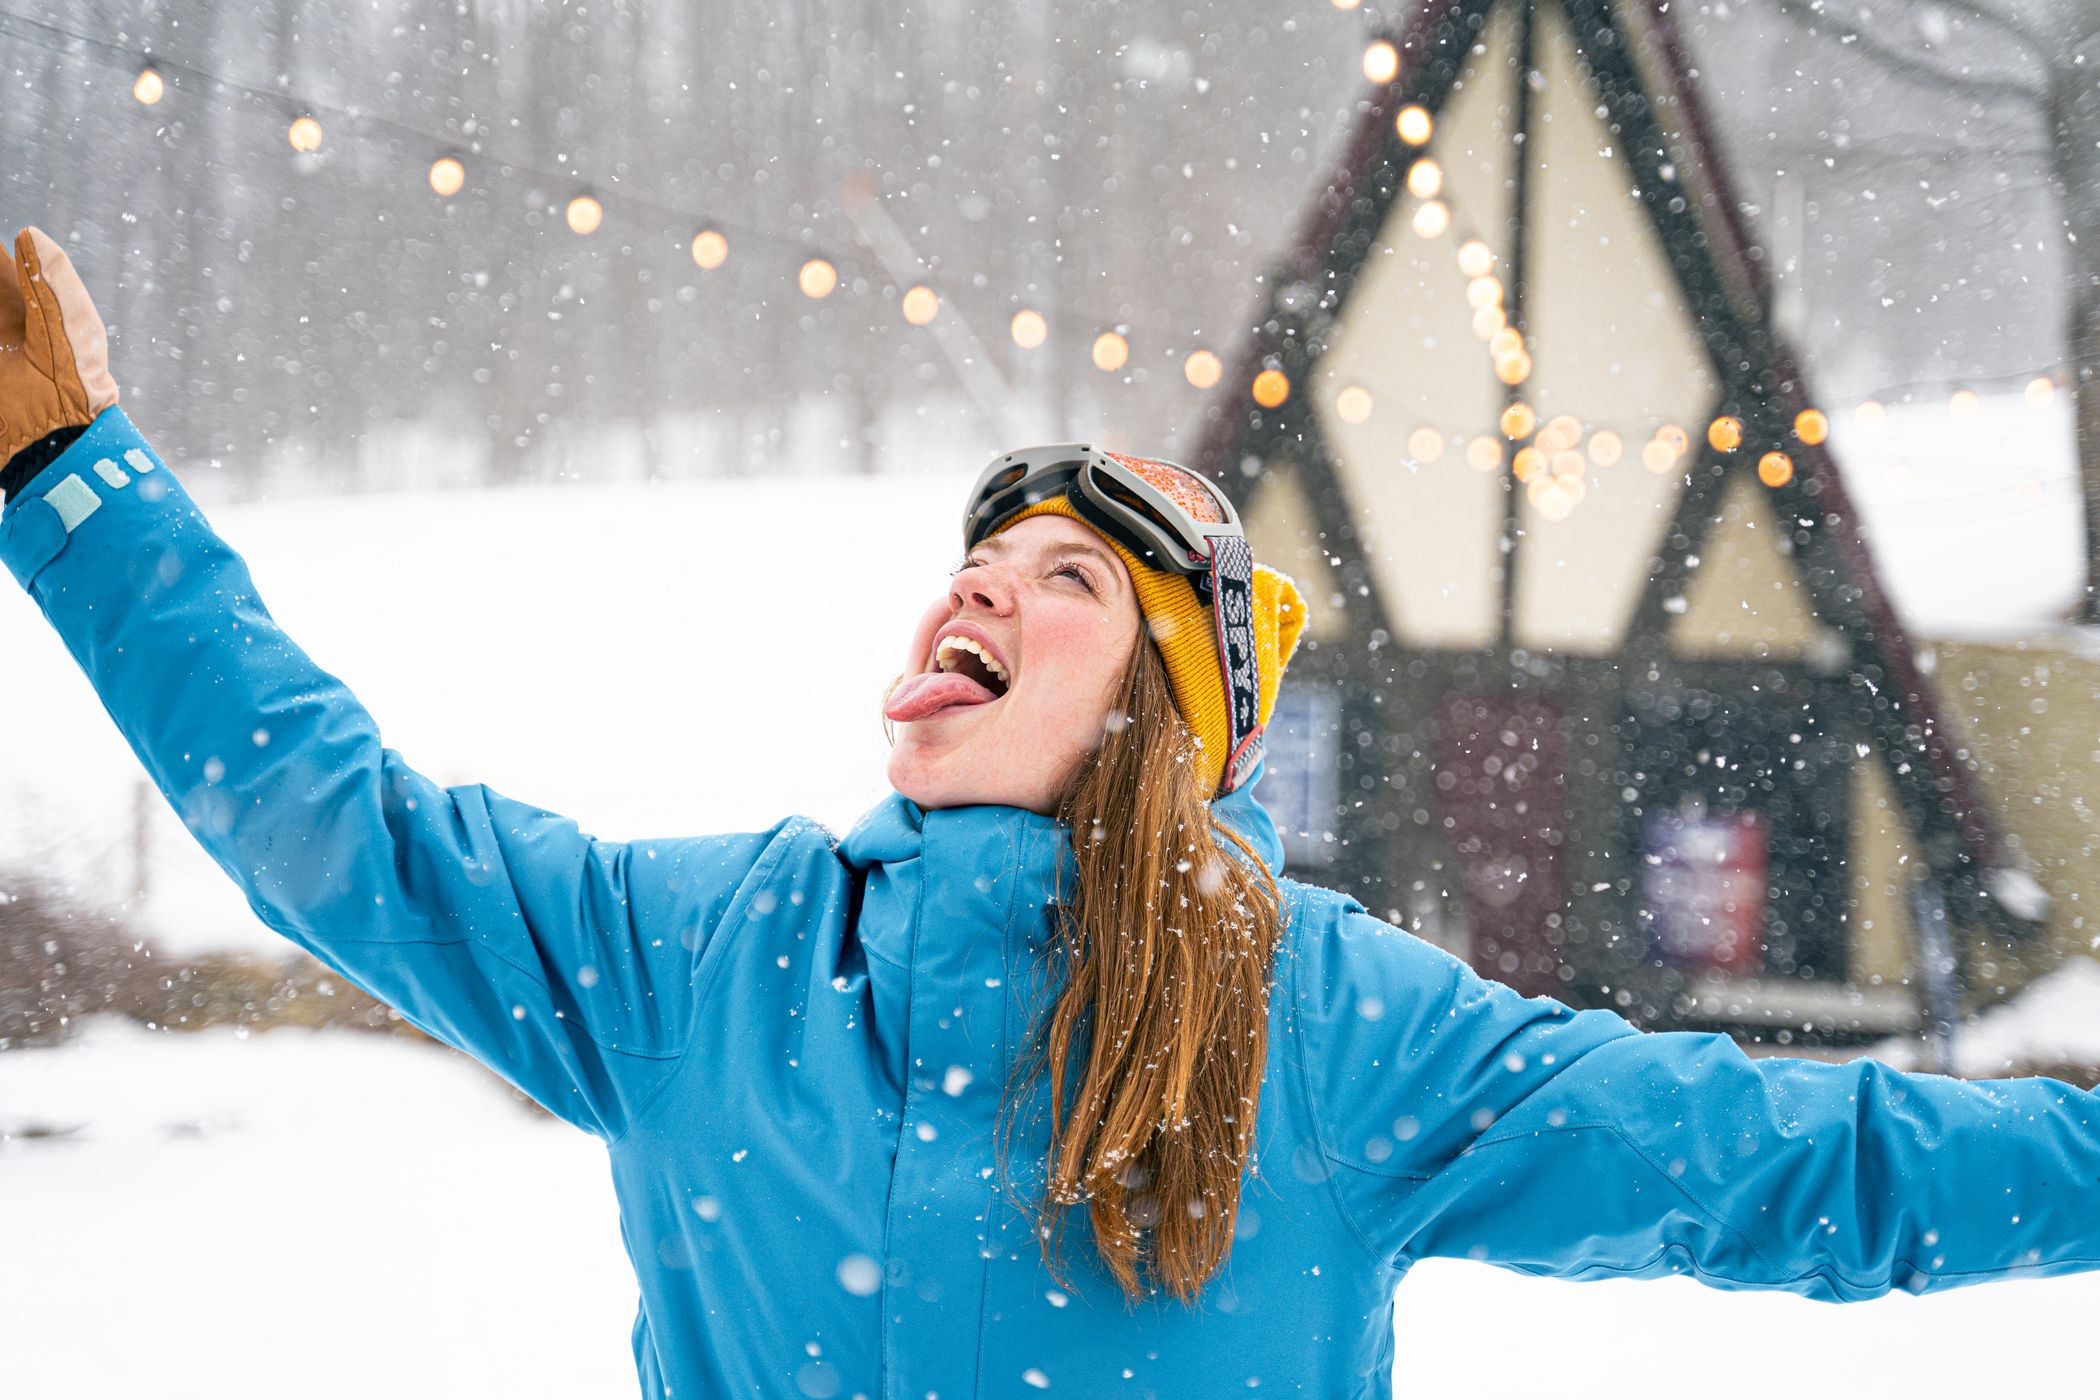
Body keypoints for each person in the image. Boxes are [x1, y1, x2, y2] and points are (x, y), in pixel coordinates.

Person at [4, 224, 2099, 1399]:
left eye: (1068, 581)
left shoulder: (1327, 1024)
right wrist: (68, 488)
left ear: (1155, 725)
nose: (983, 589)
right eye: (978, 564)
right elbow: (335, 825)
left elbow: (1798, 1162)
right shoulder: (708, 957)